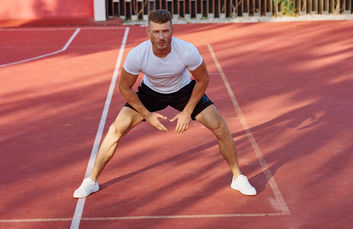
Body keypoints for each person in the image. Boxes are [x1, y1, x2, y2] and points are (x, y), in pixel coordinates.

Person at [73, 9, 256, 198]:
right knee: (116, 129)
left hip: (184, 91)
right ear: (148, 32)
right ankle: (91, 181)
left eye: (165, 31)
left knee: (220, 127)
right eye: (157, 31)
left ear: (172, 30)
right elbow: (125, 88)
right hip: (150, 94)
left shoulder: (187, 51)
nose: (161, 36)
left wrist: (187, 111)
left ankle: (238, 178)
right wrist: (147, 115)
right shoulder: (137, 55)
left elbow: (203, 80)